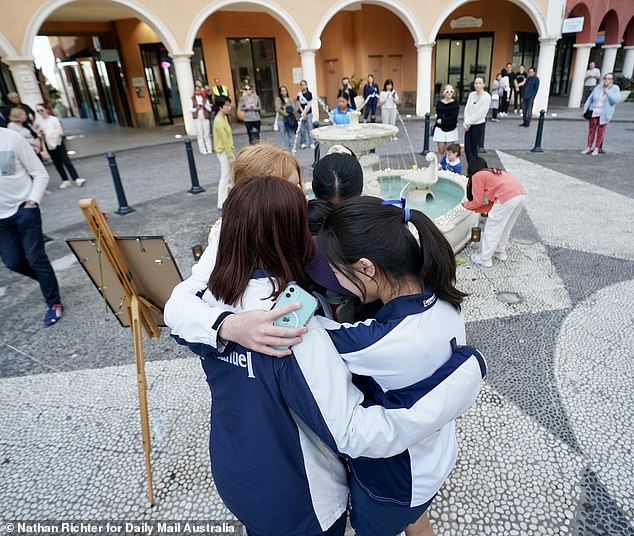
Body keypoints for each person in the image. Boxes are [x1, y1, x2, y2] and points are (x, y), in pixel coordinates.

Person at [166, 177, 485, 536]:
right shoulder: (292, 326)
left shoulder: (202, 301)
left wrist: (226, 325)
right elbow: (351, 431)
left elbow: (176, 307)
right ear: (294, 236)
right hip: (300, 493)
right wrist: (464, 379)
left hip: (233, 468)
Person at [0, 127, 63, 326]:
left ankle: (54, 303)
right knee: (13, 262)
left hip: (24, 210)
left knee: (36, 258)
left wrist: (32, 201)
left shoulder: (11, 138)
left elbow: (40, 173)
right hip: (1, 220)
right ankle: (48, 281)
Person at [463, 157, 526, 268]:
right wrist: (476, 210)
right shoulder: (493, 173)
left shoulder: (477, 175)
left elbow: (477, 201)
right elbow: (491, 205)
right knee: (506, 226)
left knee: (493, 227)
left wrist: (466, 205)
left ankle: (485, 258)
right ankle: (499, 251)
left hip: (506, 197)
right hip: (520, 194)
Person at [33, 103, 86, 189]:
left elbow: (60, 131)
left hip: (58, 142)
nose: (40, 112)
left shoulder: (53, 119)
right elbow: (33, 128)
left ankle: (76, 178)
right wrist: (39, 131)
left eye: (41, 110)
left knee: (66, 161)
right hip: (48, 143)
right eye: (38, 111)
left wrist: (49, 132)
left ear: (46, 109)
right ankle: (65, 180)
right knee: (57, 163)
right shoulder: (38, 120)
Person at [581, 72, 620, 157]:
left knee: (600, 132)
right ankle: (588, 147)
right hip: (594, 111)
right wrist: (585, 108)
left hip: (604, 114)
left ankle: (597, 148)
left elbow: (616, 100)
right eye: (605, 78)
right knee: (591, 131)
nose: (606, 80)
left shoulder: (615, 88)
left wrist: (607, 92)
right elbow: (590, 98)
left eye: (609, 79)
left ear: (612, 80)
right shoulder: (598, 87)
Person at [463, 76, 491, 166]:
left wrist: (468, 122)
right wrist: (466, 122)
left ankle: (474, 170)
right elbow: (467, 109)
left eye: (479, 83)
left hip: (478, 125)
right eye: (476, 83)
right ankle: (470, 168)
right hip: (468, 126)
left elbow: (481, 113)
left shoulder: (487, 96)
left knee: (474, 149)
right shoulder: (472, 94)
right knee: (467, 149)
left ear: (484, 84)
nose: (477, 85)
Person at [212, 96, 234, 210]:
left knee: (231, 176)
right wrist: (230, 155)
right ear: (220, 107)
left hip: (227, 150)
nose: (229, 107)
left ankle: (232, 198)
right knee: (225, 176)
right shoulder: (219, 121)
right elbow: (224, 140)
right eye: (227, 105)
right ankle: (221, 202)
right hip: (224, 152)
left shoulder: (224, 118)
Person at [433, 84, 460, 159]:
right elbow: (439, 116)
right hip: (440, 129)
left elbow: (454, 117)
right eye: (447, 91)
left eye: (451, 91)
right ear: (444, 92)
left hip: (451, 129)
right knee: (441, 149)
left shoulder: (456, 103)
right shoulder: (439, 103)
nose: (449, 93)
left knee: (449, 150)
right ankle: (440, 165)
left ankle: (447, 167)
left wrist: (443, 121)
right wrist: (447, 120)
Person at [191, 85, 213, 154]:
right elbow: (190, 109)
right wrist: (196, 108)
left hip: (205, 115)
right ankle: (202, 149)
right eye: (196, 90)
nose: (197, 91)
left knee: (207, 133)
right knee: (200, 134)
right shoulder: (192, 99)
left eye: (198, 90)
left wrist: (205, 105)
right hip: (197, 116)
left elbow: (210, 109)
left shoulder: (205, 98)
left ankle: (209, 148)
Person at [275, 86, 297, 151]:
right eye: (282, 91)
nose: (283, 92)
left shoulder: (290, 98)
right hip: (281, 119)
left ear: (287, 91)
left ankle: (292, 147)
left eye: (285, 90)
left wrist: (284, 108)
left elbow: (293, 108)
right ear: (280, 92)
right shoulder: (278, 99)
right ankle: (282, 148)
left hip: (290, 120)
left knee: (290, 133)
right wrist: (287, 113)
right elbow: (278, 108)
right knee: (282, 134)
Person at [297, 80, 315, 149]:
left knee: (310, 128)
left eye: (304, 84)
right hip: (301, 113)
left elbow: (309, 104)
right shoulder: (299, 94)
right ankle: (303, 143)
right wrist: (302, 112)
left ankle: (312, 142)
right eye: (302, 85)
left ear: (306, 85)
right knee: (302, 129)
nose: (303, 86)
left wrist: (305, 112)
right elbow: (298, 103)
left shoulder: (309, 94)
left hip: (308, 113)